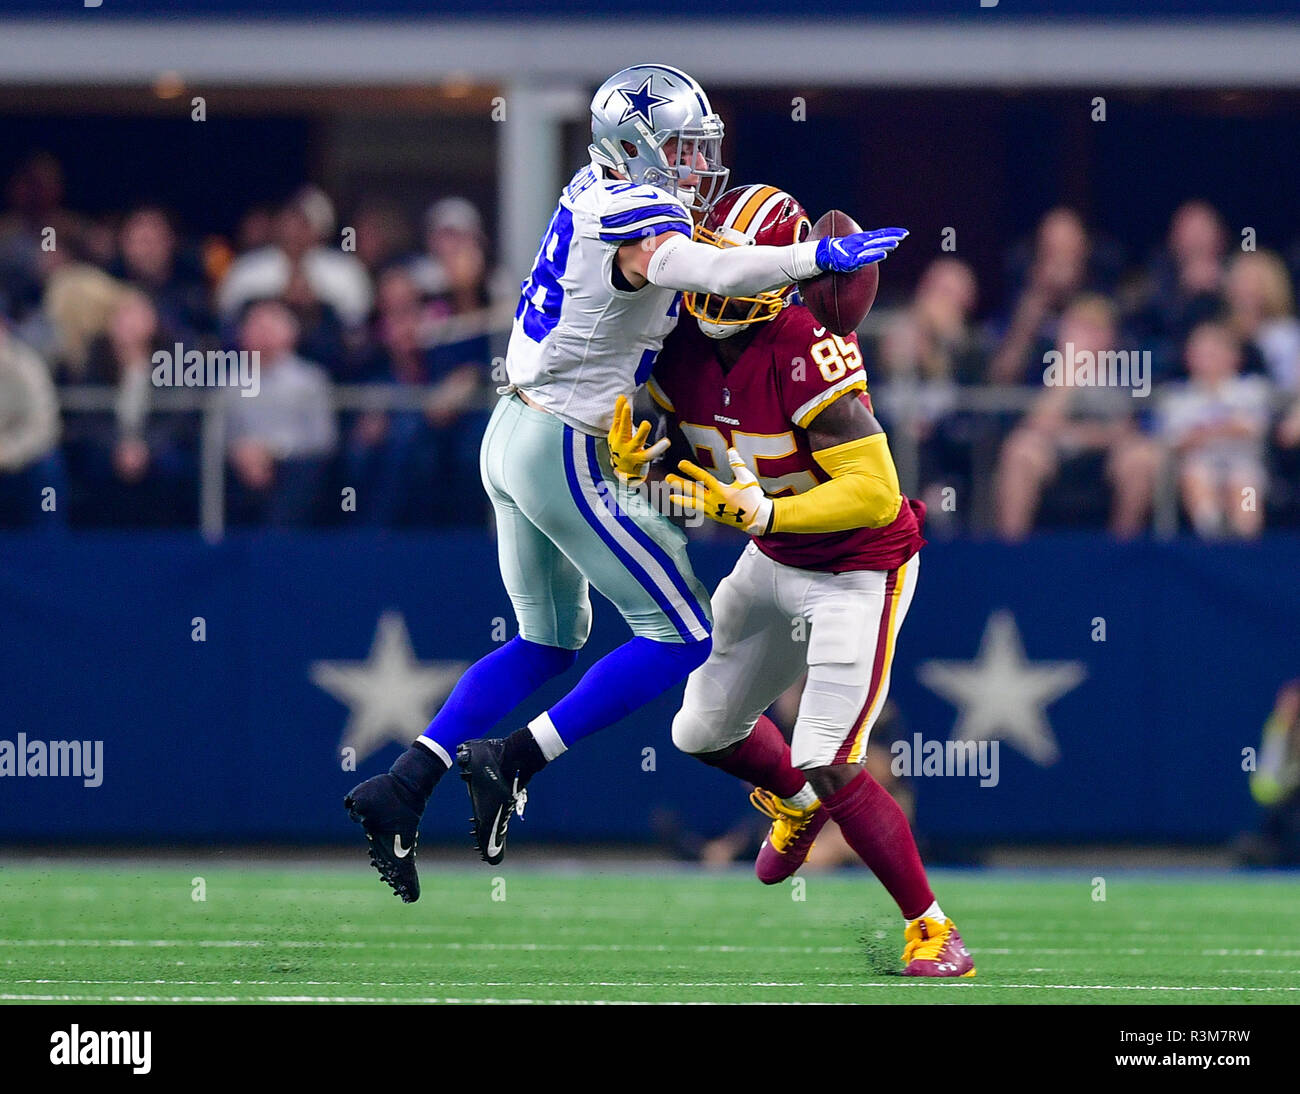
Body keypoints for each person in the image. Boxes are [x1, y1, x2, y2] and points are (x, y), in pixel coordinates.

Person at [343, 63, 907, 902]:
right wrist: (810, 257)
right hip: (564, 443)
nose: (693, 164)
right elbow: (709, 275)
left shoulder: (589, 188)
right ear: (631, 146)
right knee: (682, 634)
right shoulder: (632, 215)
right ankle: (511, 760)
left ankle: (403, 786)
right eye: (680, 147)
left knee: (547, 640)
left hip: (510, 432)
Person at [639, 184, 971, 978]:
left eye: (744, 267)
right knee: (698, 729)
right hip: (774, 559)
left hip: (860, 567)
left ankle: (933, 931)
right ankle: (793, 803)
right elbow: (679, 452)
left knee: (830, 750)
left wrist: (765, 519)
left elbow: (874, 492)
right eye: (718, 262)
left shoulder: (805, 343)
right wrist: (641, 462)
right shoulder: (677, 342)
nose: (724, 283)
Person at [995, 295, 1158, 538]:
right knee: (1019, 451)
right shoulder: (1044, 364)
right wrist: (1067, 375)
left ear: (1109, 336)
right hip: (1053, 454)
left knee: (1141, 458)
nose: (1084, 338)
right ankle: (1012, 551)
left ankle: (1122, 550)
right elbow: (1038, 424)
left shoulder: (1126, 370)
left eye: (1093, 330)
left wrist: (1077, 434)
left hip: (1109, 457)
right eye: (1077, 329)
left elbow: (1126, 430)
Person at [224, 299, 337, 527]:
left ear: (291, 333)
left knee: (304, 474)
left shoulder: (310, 379)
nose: (264, 334)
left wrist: (273, 451)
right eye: (257, 326)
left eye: (272, 326)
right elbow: (218, 433)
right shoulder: (229, 382)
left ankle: (278, 546)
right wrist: (241, 452)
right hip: (241, 464)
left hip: (295, 465)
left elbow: (323, 439)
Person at [1157, 320, 1271, 538]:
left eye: (1214, 352)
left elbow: (1253, 428)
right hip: (1199, 463)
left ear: (1233, 356)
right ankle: (1212, 534)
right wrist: (1224, 428)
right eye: (1201, 353)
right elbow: (1176, 441)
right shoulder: (1177, 397)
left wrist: (1206, 432)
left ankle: (1246, 540)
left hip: (1244, 463)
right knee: (1197, 476)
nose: (1208, 360)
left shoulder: (1251, 389)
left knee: (1245, 487)